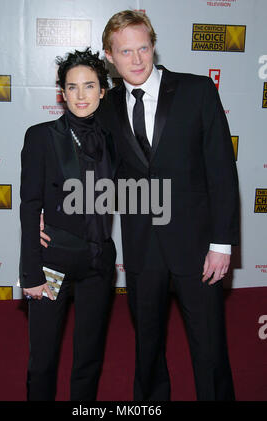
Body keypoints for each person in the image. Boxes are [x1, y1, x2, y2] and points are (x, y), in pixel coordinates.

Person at [98, 10, 239, 401]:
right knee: (148, 352)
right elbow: (97, 177)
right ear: (109, 56)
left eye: (143, 47)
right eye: (126, 51)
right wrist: (51, 212)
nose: (137, 59)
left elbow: (222, 172)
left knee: (210, 349)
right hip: (142, 249)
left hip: (199, 248)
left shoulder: (197, 91)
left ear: (154, 46)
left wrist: (222, 244)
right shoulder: (105, 107)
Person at [19, 48, 117, 401]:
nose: (80, 95)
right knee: (43, 356)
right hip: (52, 261)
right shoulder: (41, 136)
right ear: (61, 92)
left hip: (99, 263)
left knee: (89, 356)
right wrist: (30, 273)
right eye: (71, 87)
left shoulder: (115, 139)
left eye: (89, 86)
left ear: (103, 91)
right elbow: (29, 205)